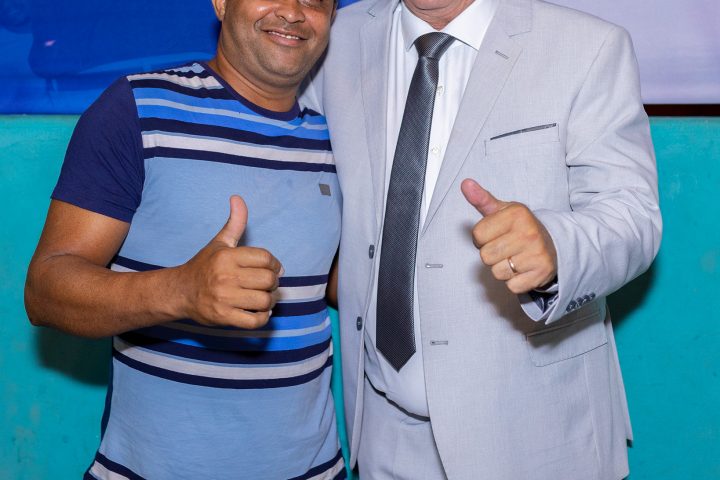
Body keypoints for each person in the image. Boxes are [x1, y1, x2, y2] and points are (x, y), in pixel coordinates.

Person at [303, 0, 661, 477]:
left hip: (535, 436)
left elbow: (633, 215)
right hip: (380, 432)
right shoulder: (334, 36)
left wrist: (556, 248)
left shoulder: (588, 46)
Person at [24, 0, 345, 478]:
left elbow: (343, 284)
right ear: (221, 2)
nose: (294, 12)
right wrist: (181, 291)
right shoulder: (138, 109)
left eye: (315, 0)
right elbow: (46, 291)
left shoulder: (335, 138)